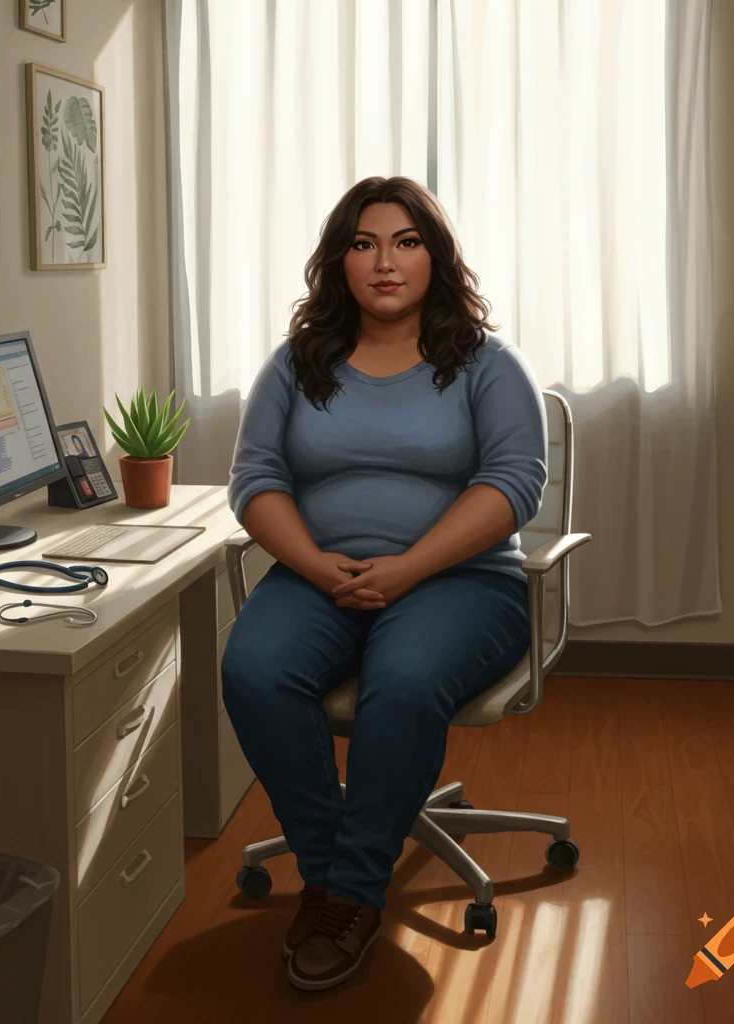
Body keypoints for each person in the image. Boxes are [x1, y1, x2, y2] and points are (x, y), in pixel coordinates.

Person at [221, 176, 548, 993]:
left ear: (434, 258)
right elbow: (255, 476)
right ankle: (331, 875)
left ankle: (353, 894)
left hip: (458, 580)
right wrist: (312, 563)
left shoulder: (484, 363)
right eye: (364, 244)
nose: (385, 262)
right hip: (318, 574)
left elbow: (515, 483)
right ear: (340, 261)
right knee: (252, 670)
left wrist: (408, 567)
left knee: (401, 685)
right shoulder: (298, 364)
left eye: (406, 242)